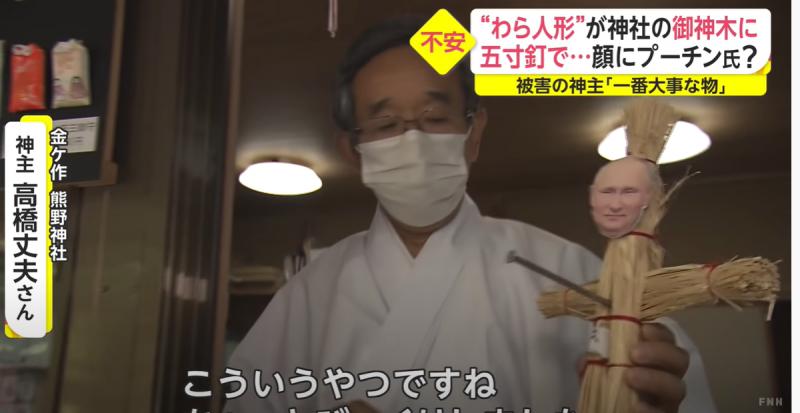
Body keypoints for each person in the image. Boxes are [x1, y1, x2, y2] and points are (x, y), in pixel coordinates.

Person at [225, 17, 717, 413]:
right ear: (353, 151)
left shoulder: (568, 274)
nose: (413, 140)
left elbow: (678, 389)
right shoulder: (309, 298)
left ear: (473, 133)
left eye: (435, 118)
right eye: (386, 124)